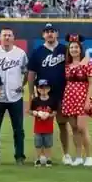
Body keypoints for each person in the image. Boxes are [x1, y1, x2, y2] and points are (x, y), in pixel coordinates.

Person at [27, 22, 71, 164]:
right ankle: (42, 156)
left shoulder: (65, 49)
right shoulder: (37, 51)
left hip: (63, 93)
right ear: (43, 35)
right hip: (44, 95)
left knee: (63, 124)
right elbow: (31, 73)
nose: (50, 33)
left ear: (57, 33)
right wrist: (31, 93)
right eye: (47, 31)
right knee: (41, 124)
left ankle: (66, 154)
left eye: (52, 31)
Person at [0, 27, 29, 166]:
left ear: (13, 38)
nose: (7, 37)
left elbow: (26, 71)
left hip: (15, 97)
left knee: (18, 129)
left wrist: (22, 85)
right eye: (4, 35)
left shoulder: (20, 53)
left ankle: (19, 157)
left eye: (9, 35)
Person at [60, 36, 92, 166]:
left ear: (80, 49)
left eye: (76, 47)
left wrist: (88, 101)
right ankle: (78, 157)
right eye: (71, 47)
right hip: (70, 97)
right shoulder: (67, 65)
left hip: (82, 97)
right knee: (74, 129)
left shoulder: (88, 63)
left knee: (82, 128)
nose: (74, 49)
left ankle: (89, 156)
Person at [30, 79, 56, 166]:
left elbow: (55, 112)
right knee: (38, 144)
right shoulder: (35, 101)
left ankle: (48, 159)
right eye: (41, 88)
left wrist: (48, 115)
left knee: (48, 144)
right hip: (38, 127)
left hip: (48, 127)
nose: (43, 90)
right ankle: (37, 159)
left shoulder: (52, 100)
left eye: (45, 88)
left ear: (49, 89)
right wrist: (36, 113)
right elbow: (30, 111)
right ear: (38, 89)